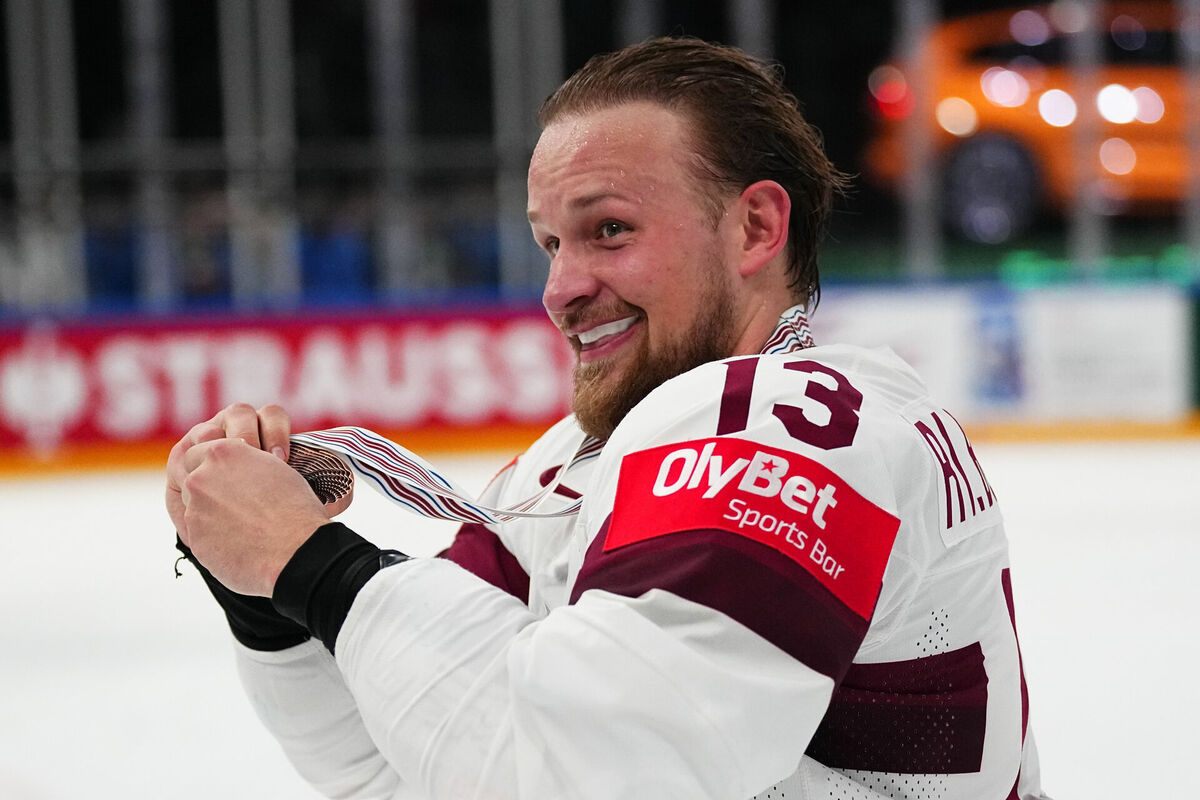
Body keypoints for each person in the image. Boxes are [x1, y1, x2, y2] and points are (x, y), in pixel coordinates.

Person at [167, 37, 1051, 800]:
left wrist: (312, 562)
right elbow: (407, 759)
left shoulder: (777, 427)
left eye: (610, 230)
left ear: (753, 229)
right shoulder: (588, 457)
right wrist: (268, 594)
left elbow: (579, 778)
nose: (561, 290)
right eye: (552, 242)